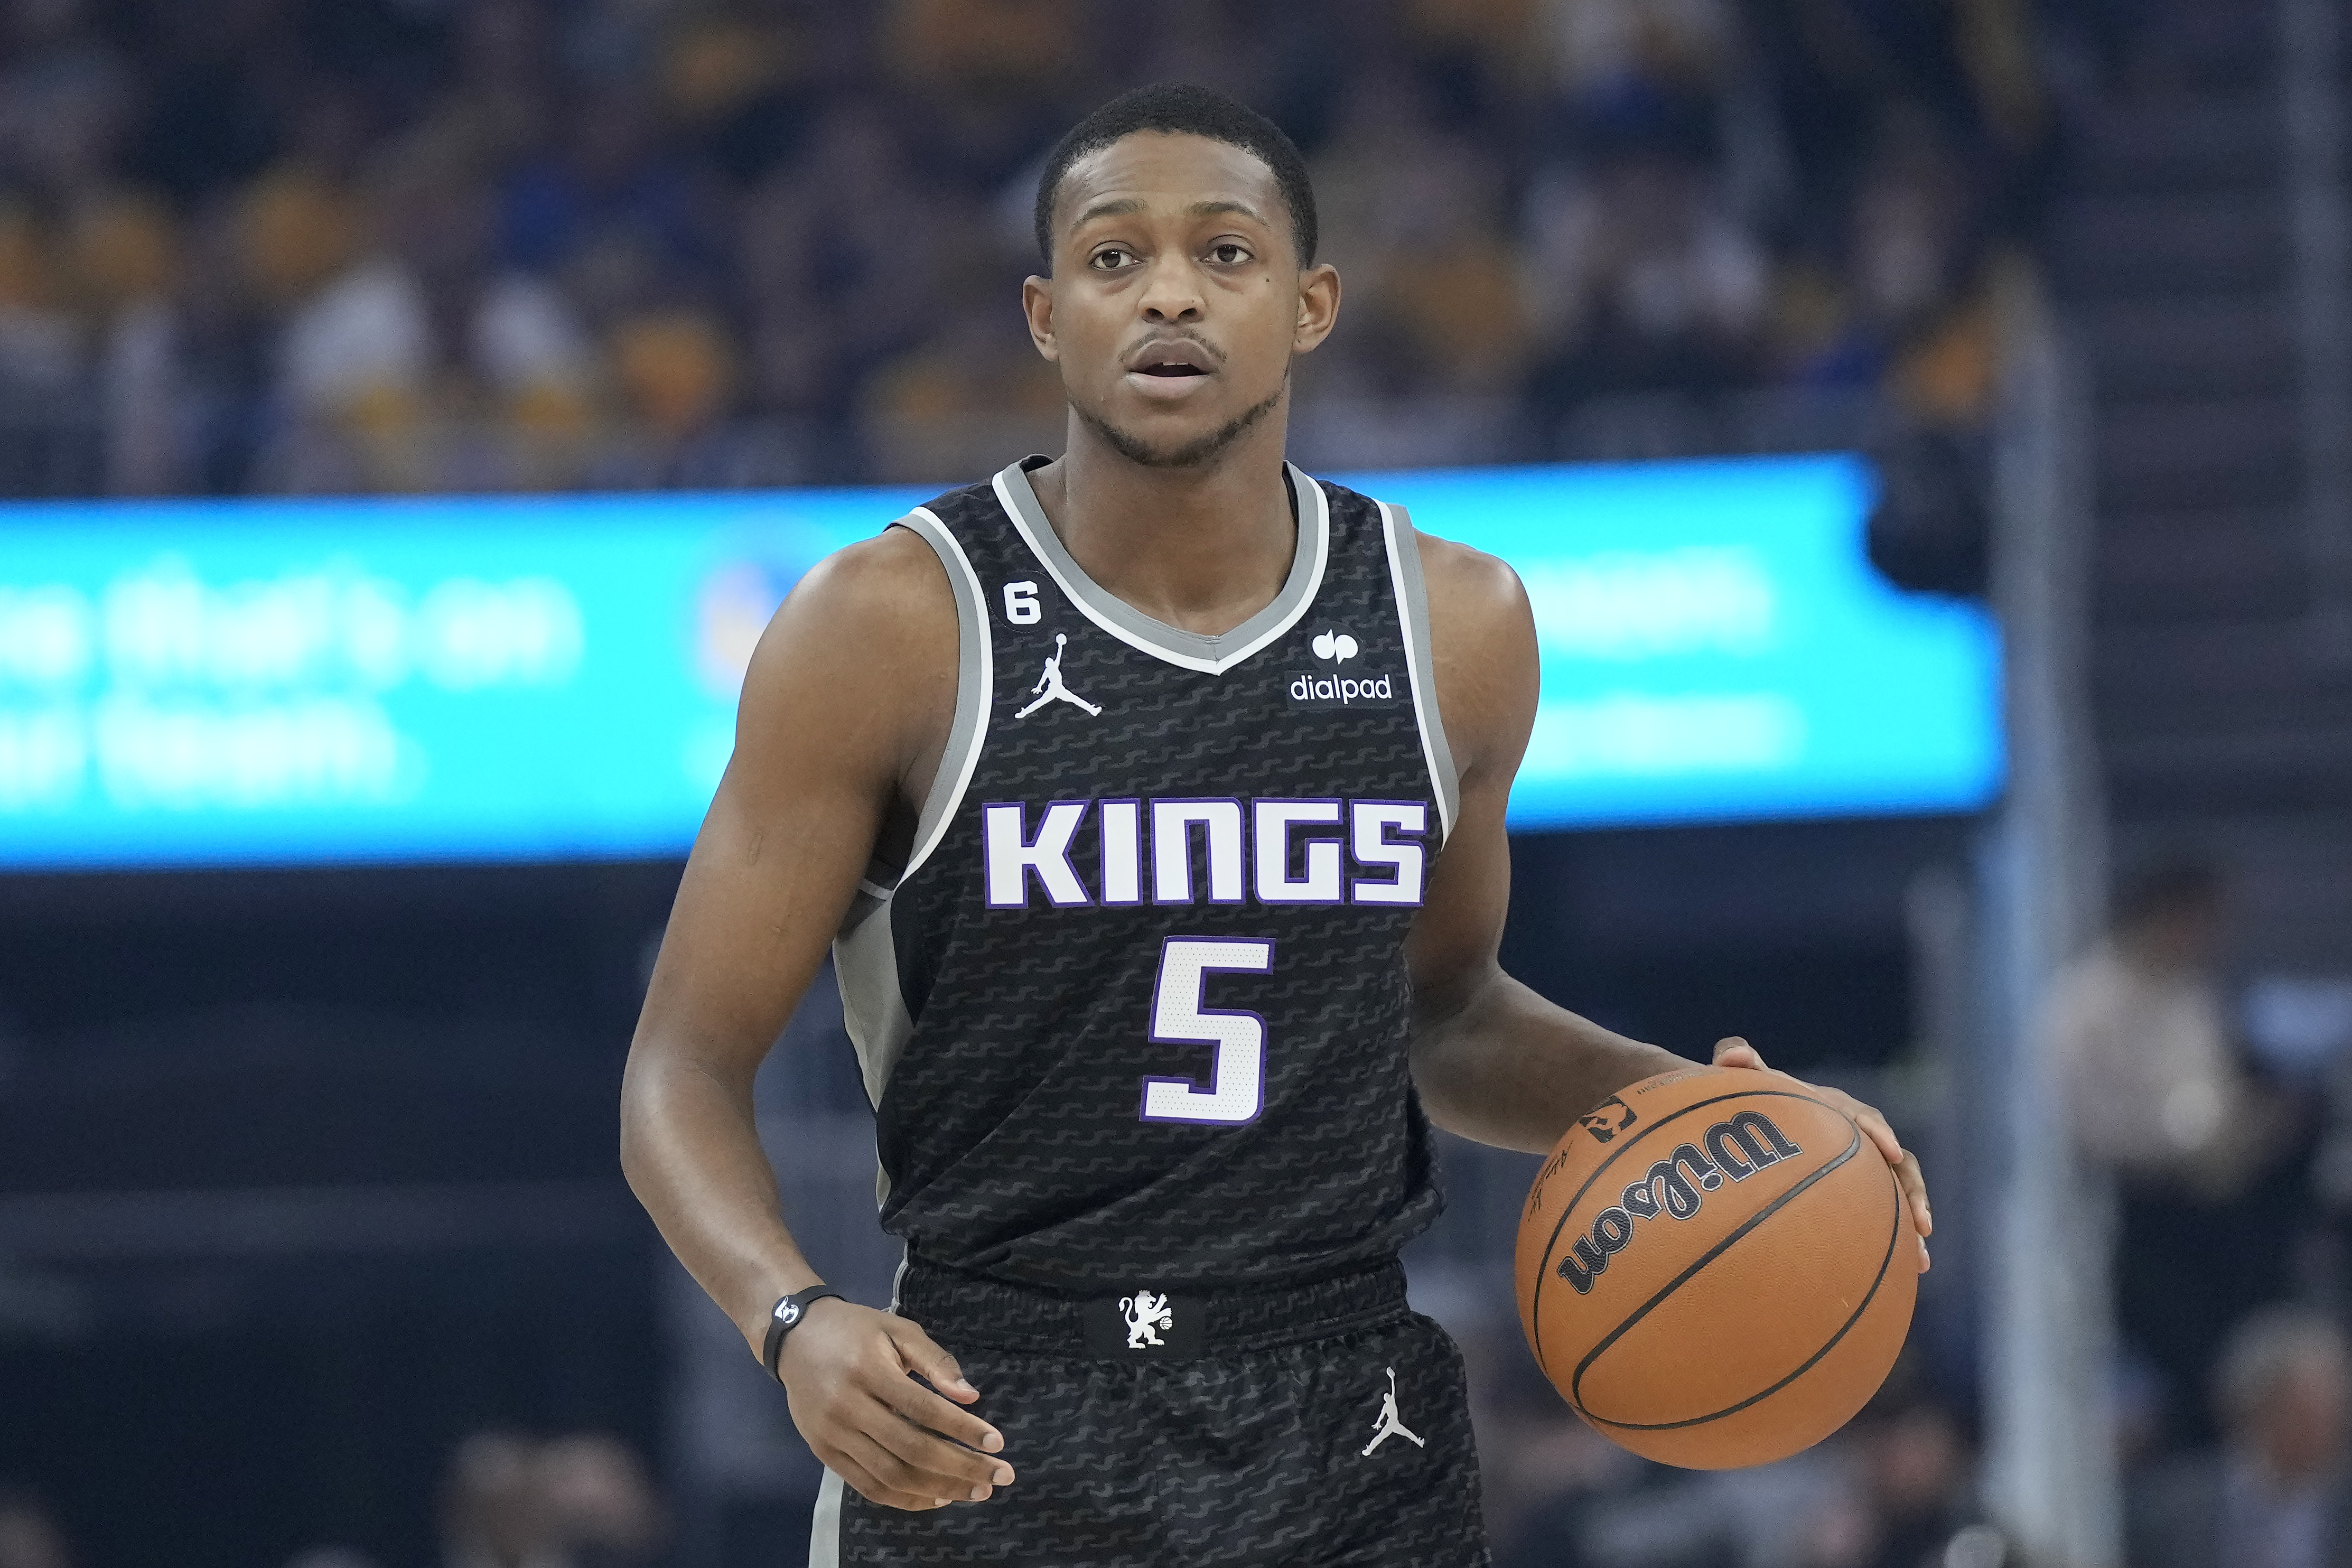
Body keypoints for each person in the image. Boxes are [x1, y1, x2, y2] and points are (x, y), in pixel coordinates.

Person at [619, 81, 1930, 1567]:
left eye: (1223, 254)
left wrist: (1718, 1117)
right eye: (1114, 258)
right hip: (991, 1403)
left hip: (1345, 1408)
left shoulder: (1459, 624)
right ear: (1046, 317)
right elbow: (681, 1065)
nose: (1168, 291)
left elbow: (1437, 1013)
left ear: (1309, 304)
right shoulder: (891, 626)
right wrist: (788, 1318)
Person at [2127, 1306, 2352, 1568]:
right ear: (2256, 1406)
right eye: (2304, 1412)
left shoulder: (2343, 1514)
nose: (2325, 1429)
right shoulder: (2163, 1511)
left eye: (2335, 1410)